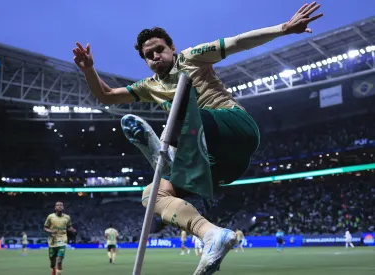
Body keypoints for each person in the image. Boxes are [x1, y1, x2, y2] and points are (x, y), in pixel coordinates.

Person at [73, 3, 322, 274]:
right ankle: (212, 235)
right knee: (153, 194)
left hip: (233, 127)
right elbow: (107, 95)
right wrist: (89, 70)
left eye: (159, 49)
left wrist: (284, 28)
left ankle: (167, 155)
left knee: (182, 103)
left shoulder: (191, 57)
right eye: (149, 54)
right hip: (222, 164)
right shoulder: (149, 86)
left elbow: (238, 42)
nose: (155, 56)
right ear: (145, 61)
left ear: (172, 48)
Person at [44, 201, 77, 275]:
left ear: (63, 207)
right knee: (52, 262)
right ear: (55, 207)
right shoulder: (50, 217)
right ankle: (53, 269)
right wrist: (51, 231)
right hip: (52, 242)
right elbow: (45, 228)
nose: (59, 206)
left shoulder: (67, 217)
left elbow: (69, 227)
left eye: (61, 205)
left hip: (62, 241)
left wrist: (72, 230)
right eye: (57, 205)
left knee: (59, 260)